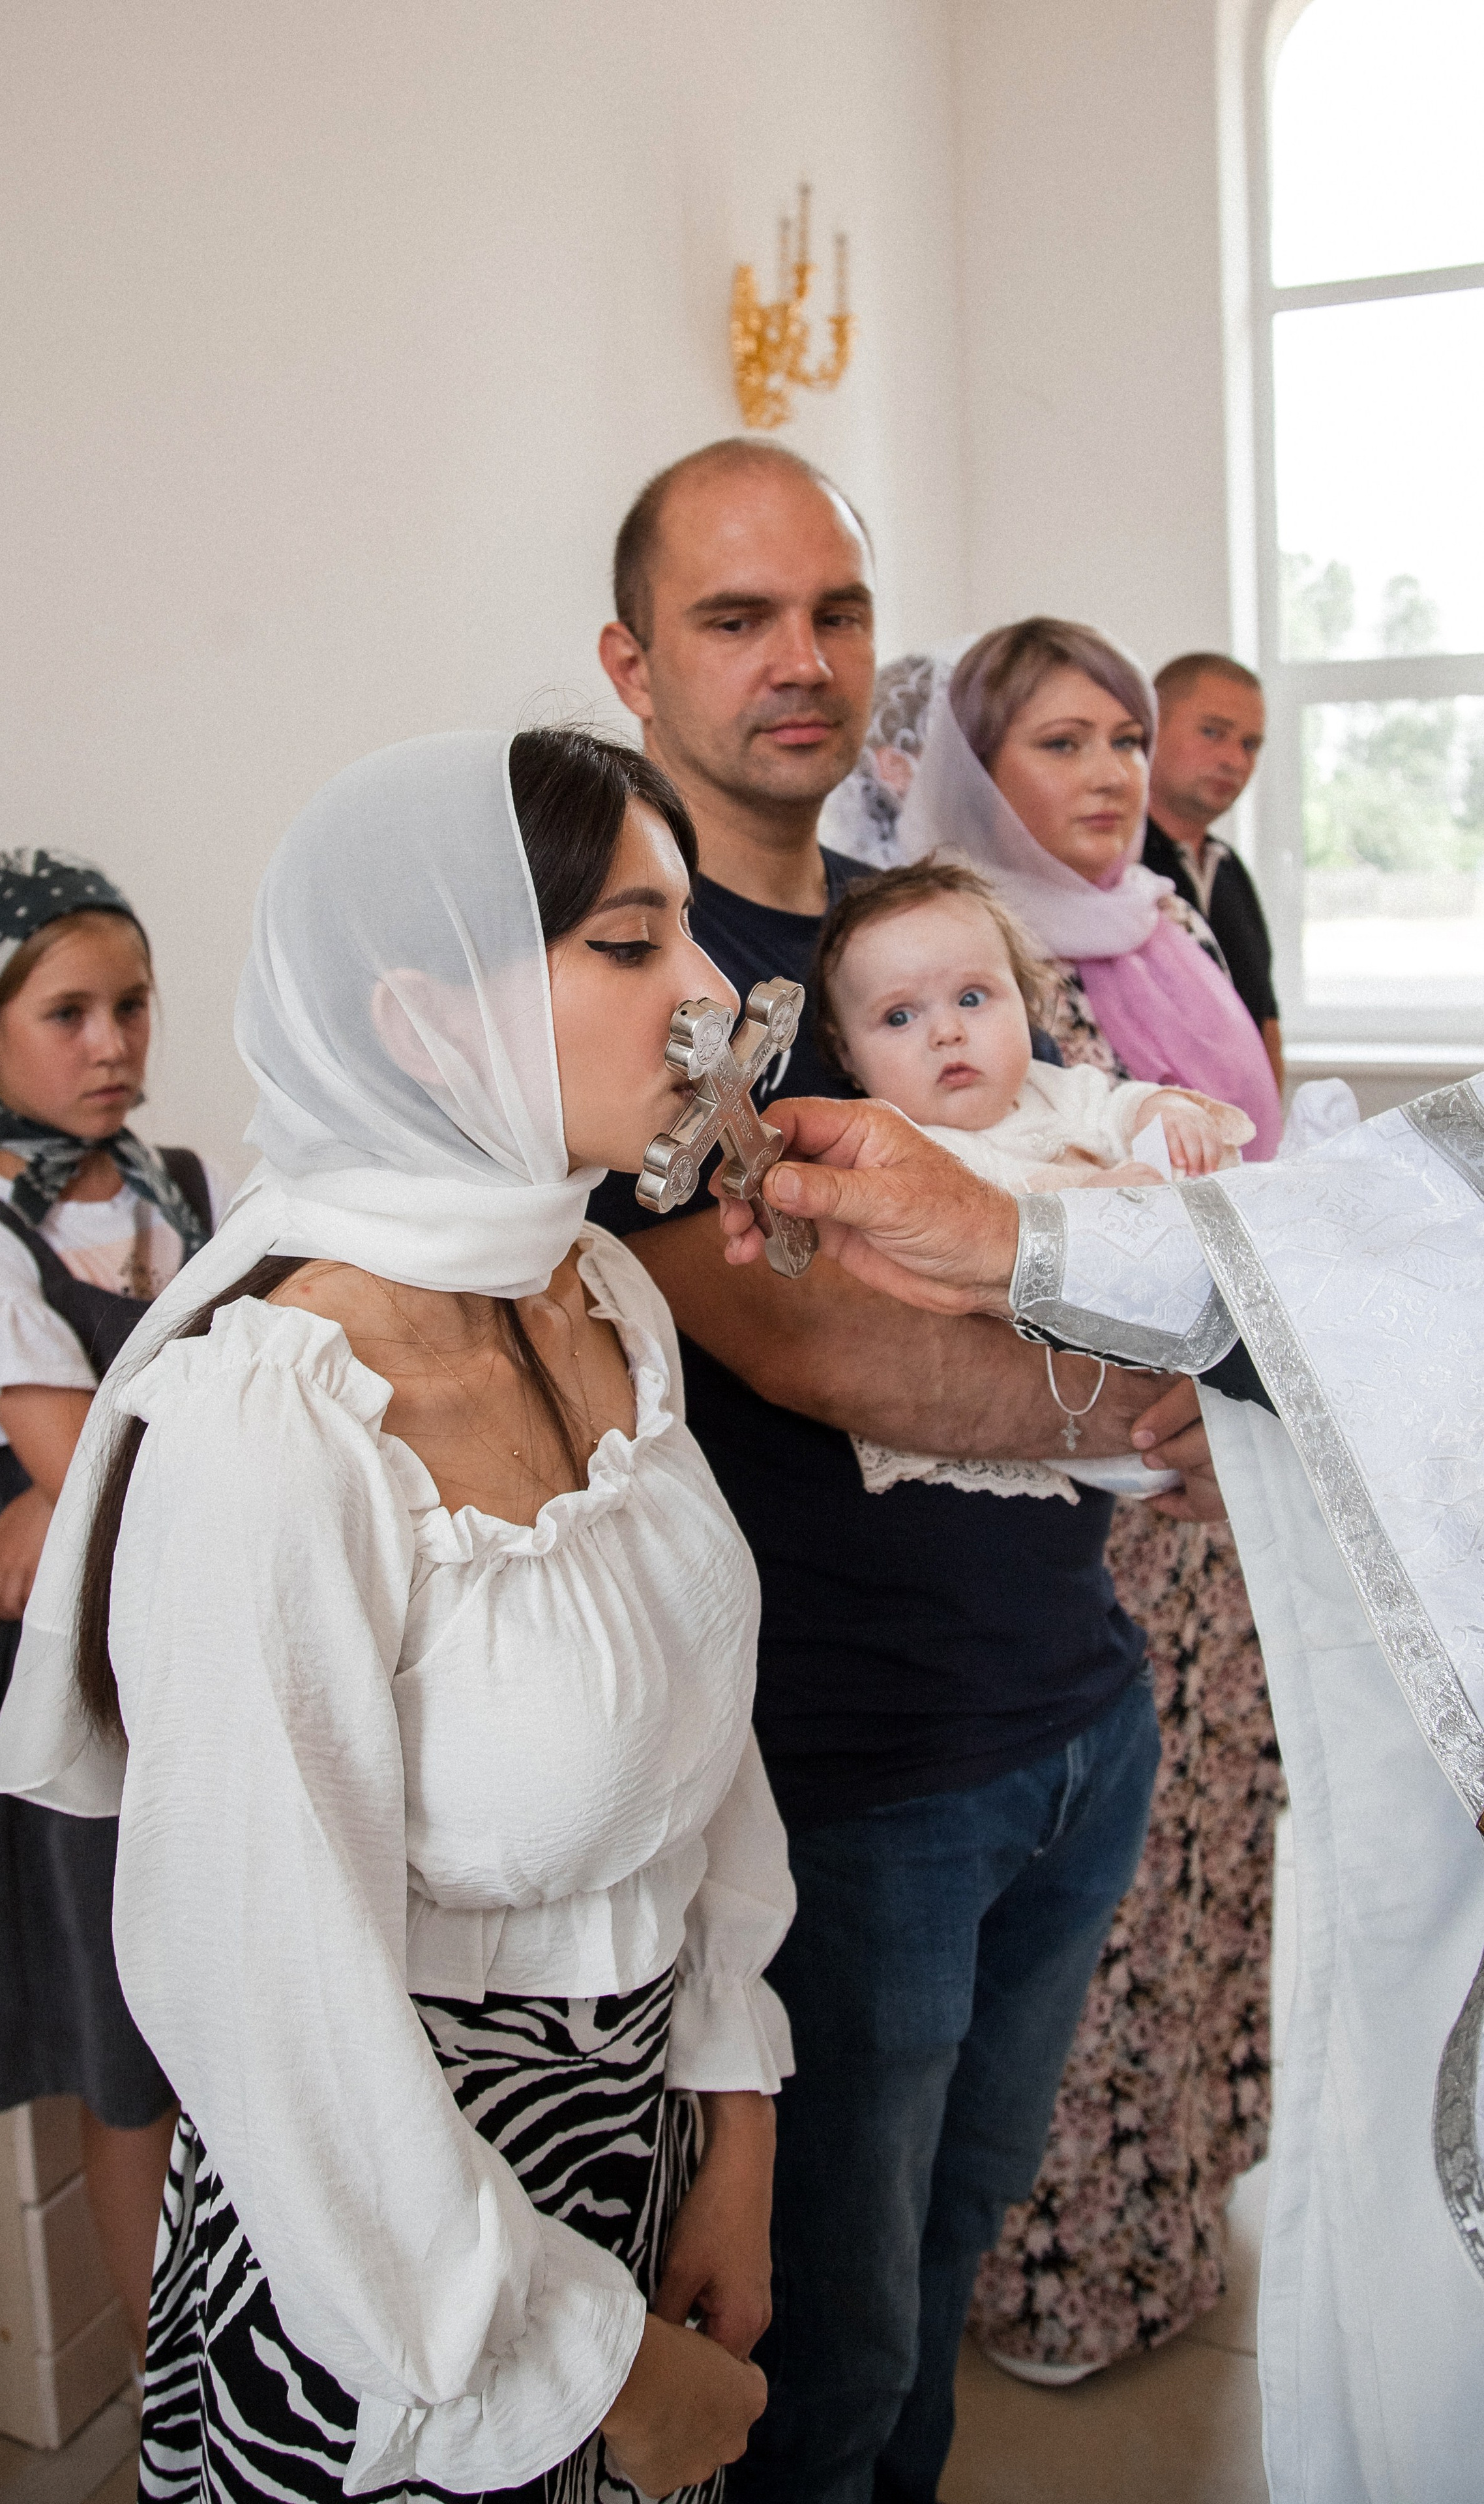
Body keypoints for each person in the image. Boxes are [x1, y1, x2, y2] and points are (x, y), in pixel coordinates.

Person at [0, 728, 792, 2502]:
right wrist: (581, 2370)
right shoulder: (272, 1430)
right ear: (431, 1019)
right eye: (634, 942)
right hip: (398, 2263)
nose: (714, 999)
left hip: (641, 2140)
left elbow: (699, 1740)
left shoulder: (591, 1296)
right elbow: (263, 1994)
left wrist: (733, 2124)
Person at [593, 440, 1195, 2499]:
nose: (800, 659)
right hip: (845, 1774)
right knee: (821, 2357)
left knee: (944, 2257)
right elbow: (807, 1336)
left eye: (835, 612)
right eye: (735, 616)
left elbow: (1101, 1168)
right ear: (630, 658)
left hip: (1071, 1707)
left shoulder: (909, 936)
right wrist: (1150, 1400)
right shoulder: (635, 965)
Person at [716, 1080, 1484, 2504]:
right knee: (861, 2264)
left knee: (939, 2213)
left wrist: (1034, 1251)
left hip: (1043, 1708)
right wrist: (1009, 1235)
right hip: (890, 1749)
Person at [825, 623, 1287, 2383]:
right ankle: (1061, 2284)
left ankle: (1169, 2220)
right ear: (972, 775)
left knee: (1189, 1900)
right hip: (1099, 1514)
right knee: (1091, 1962)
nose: (1108, 776)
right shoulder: (983, 971)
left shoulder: (1156, 930)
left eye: (1125, 740)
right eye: (1062, 745)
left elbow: (1216, 1145)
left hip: (1209, 1478)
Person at [0, 850, 216, 2366]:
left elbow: (118, 1465)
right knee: (131, 2045)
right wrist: (56, 1485)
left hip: (203, 1633)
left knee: (232, 2000)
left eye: (131, 1004)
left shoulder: (185, 1191)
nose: (111, 1043)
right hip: (86, 1675)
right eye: (66, 1011)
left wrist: (52, 1487)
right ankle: (171, 2381)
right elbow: (126, 1471)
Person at [814, 855, 1251, 1506]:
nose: (947, 1032)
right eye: (899, 1018)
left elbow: (1116, 1105)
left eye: (972, 997)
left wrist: (1165, 1111)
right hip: (1044, 1409)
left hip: (1156, 1353)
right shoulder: (901, 1146)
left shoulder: (1054, 1090)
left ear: (1027, 999)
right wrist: (1098, 1201)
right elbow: (990, 1207)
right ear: (846, 1053)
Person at [1142, 654, 1282, 1089]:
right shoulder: (1113, 869)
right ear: (1150, 726)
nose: (1235, 760)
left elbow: (1265, 1020)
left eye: (1250, 744)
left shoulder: (1230, 868)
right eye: (1213, 733)